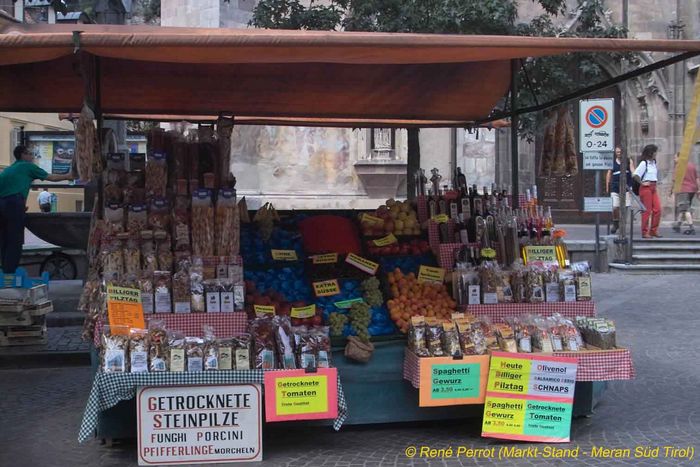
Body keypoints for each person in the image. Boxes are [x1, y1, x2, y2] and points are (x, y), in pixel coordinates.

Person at [0, 145, 74, 273]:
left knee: (4, 238)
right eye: (30, 154)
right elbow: (51, 178)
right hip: (14, 203)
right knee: (15, 238)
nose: (32, 157)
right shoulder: (27, 166)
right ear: (23, 154)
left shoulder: (8, 169)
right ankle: (10, 274)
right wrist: (69, 176)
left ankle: (4, 270)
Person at [632, 144, 661, 239]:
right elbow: (635, 175)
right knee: (647, 210)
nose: (656, 154)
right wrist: (642, 183)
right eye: (655, 152)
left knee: (657, 209)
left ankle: (653, 230)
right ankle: (645, 232)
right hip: (646, 188)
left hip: (653, 187)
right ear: (650, 153)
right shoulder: (644, 163)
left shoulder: (654, 163)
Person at [605, 146, 635, 234]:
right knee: (615, 207)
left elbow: (633, 170)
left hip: (626, 188)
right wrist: (607, 186)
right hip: (615, 188)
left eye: (620, 152)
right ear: (615, 153)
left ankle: (622, 225)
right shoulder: (612, 162)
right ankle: (615, 223)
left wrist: (635, 177)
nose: (619, 153)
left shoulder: (628, 161)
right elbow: (609, 174)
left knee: (625, 208)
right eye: (617, 152)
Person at [671, 152, 700, 235]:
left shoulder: (679, 167)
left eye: (675, 157)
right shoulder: (692, 165)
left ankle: (691, 228)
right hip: (692, 190)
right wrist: (698, 189)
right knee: (683, 208)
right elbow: (697, 178)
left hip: (683, 190)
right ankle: (678, 225)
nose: (674, 159)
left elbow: (674, 180)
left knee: (686, 209)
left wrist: (671, 191)